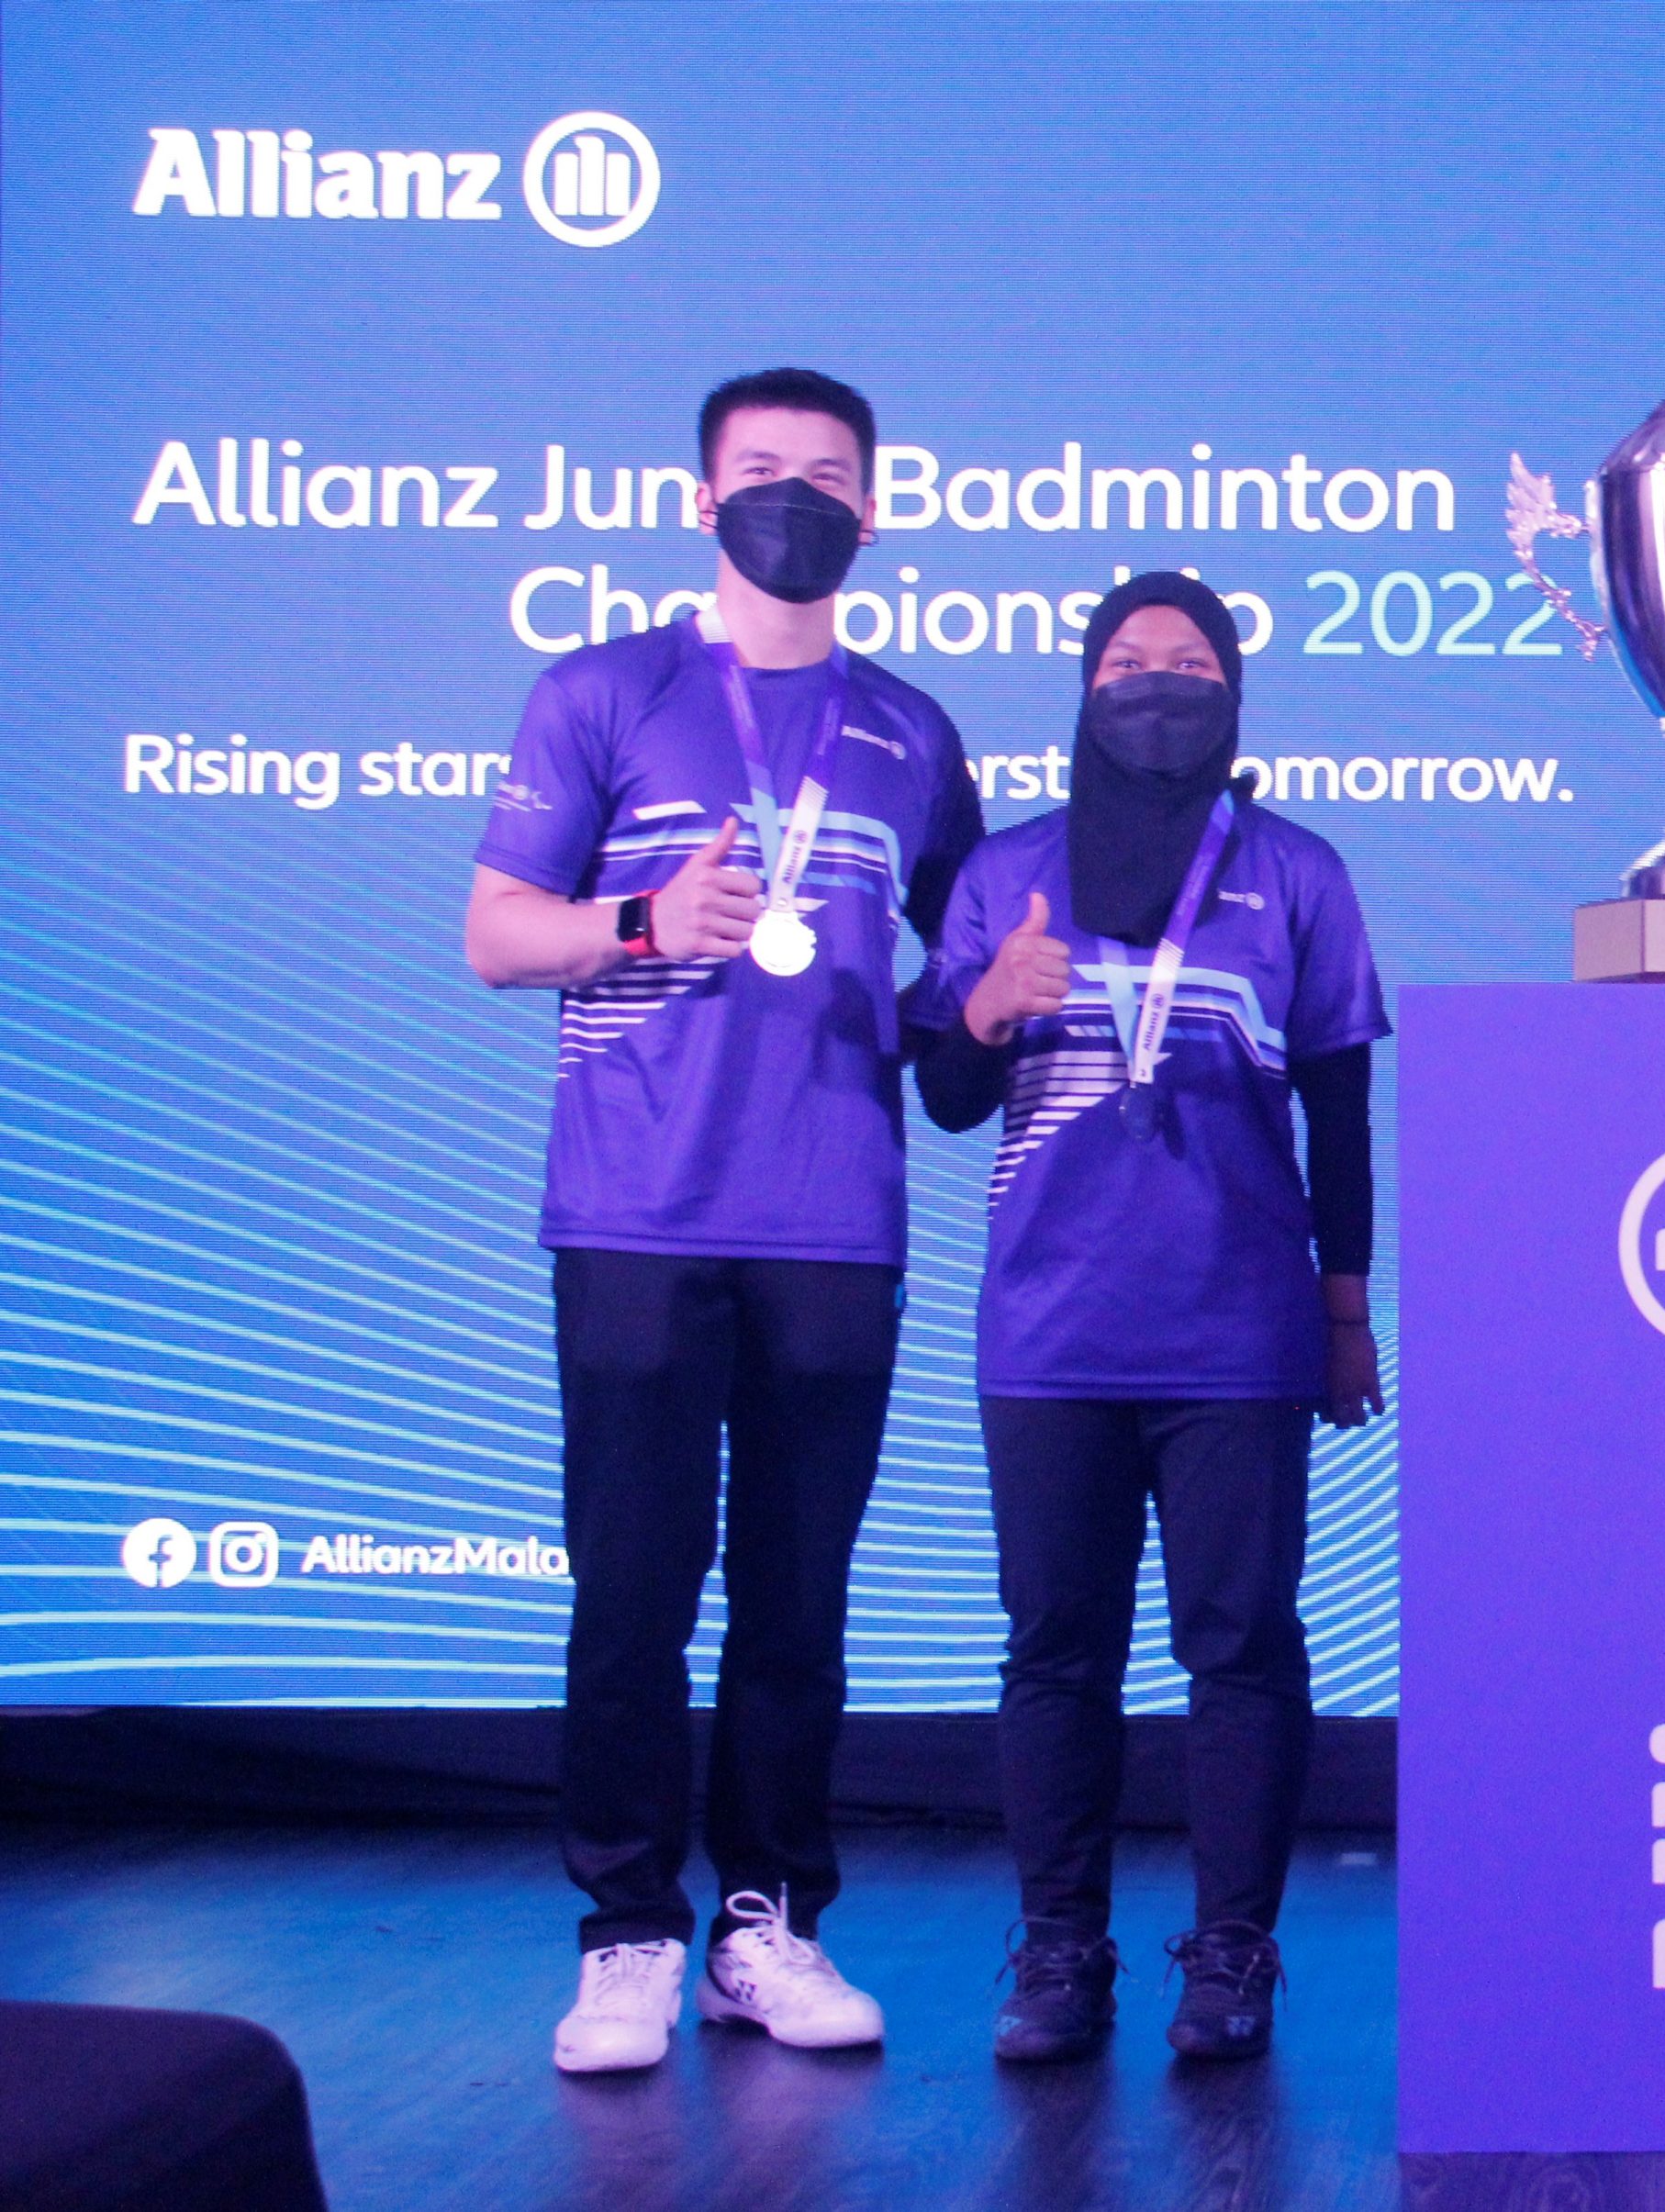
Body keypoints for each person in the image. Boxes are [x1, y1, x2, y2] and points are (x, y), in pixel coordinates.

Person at [466, 368, 983, 2074]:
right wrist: (646, 914)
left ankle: (769, 1925)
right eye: (761, 472)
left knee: (796, 1596)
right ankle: (624, 1931)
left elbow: (952, 970)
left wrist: (985, 1012)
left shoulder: (914, 733)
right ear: (702, 499)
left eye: (827, 477)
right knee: (631, 1586)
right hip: (635, 1208)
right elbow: (496, 934)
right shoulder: (607, 691)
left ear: (875, 512)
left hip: (835, 1219)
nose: (793, 498)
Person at [913, 571, 1389, 2066]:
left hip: (1239, 1326)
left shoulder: (1297, 872)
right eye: (1128, 661)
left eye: (1191, 663)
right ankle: (1061, 1954)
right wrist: (987, 1006)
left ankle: (1232, 1955)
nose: (1159, 685)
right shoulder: (1007, 875)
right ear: (1083, 688)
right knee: (1057, 1647)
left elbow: (1339, 1110)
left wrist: (1347, 1312)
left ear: (1235, 694)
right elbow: (944, 1095)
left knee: (1240, 1644)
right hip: (1051, 1328)